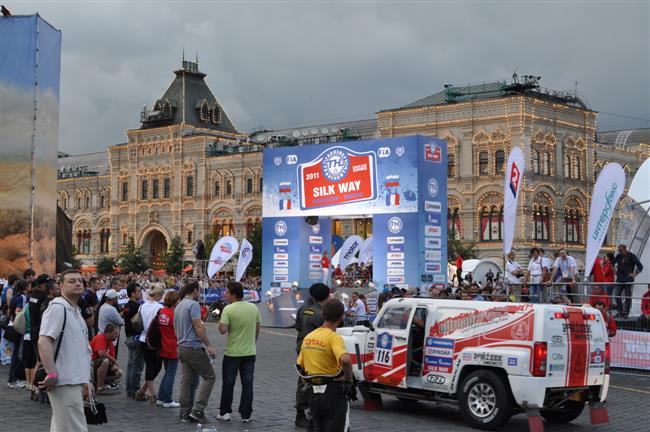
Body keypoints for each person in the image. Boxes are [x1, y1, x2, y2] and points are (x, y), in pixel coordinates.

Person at [38, 269, 91, 432]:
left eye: (80, 281)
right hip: (65, 379)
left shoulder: (74, 310)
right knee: (75, 428)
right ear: (60, 286)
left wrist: (86, 379)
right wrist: (51, 373)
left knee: (62, 427)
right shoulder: (57, 308)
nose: (77, 283)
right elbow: (44, 341)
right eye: (71, 281)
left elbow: (80, 349)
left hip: (74, 379)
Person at [296, 299, 354, 432]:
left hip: (313, 393)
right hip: (333, 392)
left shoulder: (309, 336)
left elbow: (300, 366)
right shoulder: (334, 337)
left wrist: (307, 383)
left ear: (323, 314)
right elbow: (345, 360)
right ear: (342, 317)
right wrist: (348, 378)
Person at [216, 282, 262, 423]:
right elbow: (257, 329)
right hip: (249, 352)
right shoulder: (253, 307)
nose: (225, 295)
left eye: (227, 292)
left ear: (233, 294)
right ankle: (246, 414)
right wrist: (251, 343)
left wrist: (220, 319)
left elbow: (223, 330)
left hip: (232, 352)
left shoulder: (228, 309)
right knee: (247, 384)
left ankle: (225, 412)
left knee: (228, 383)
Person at [175, 281, 216, 423]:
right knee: (209, 377)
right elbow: (198, 326)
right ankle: (198, 410)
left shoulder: (179, 306)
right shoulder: (193, 305)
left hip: (181, 347)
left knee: (187, 381)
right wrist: (209, 345)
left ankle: (184, 412)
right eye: (199, 290)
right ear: (194, 291)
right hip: (193, 347)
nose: (200, 293)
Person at [294, 283, 330, 428]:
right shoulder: (323, 313)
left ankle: (301, 413)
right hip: (318, 349)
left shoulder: (303, 309)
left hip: (302, 347)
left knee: (303, 378)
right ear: (327, 296)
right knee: (318, 380)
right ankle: (315, 413)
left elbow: (297, 326)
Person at [135, 284, 164, 403]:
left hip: (142, 339)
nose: (162, 297)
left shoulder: (142, 306)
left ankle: (141, 391)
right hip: (153, 340)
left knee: (153, 366)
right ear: (157, 294)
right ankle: (153, 394)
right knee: (153, 367)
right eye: (161, 294)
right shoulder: (158, 307)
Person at [156, 290, 180, 408]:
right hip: (172, 346)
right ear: (175, 301)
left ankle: (161, 397)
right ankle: (167, 399)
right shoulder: (172, 314)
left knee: (167, 373)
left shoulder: (162, 312)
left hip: (163, 345)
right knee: (171, 374)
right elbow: (177, 332)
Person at [122, 282, 145, 399]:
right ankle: (135, 391)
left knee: (131, 365)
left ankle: (129, 390)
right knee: (137, 366)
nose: (140, 293)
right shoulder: (136, 306)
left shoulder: (126, 306)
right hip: (136, 338)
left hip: (128, 337)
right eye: (138, 291)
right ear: (132, 293)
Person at [90, 323, 122, 393]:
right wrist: (114, 361)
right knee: (105, 361)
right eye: (115, 333)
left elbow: (112, 359)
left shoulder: (110, 343)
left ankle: (104, 382)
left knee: (119, 372)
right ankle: (100, 387)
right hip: (90, 363)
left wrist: (115, 367)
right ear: (109, 333)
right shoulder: (100, 337)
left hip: (99, 364)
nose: (117, 335)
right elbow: (101, 353)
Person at [613, 244, 644, 317]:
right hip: (619, 279)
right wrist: (614, 269)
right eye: (618, 250)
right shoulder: (618, 256)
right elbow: (612, 263)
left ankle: (626, 312)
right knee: (617, 295)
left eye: (620, 250)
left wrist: (634, 274)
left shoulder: (631, 256)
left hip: (628, 280)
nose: (619, 252)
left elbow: (640, 266)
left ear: (625, 249)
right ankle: (620, 311)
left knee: (627, 297)